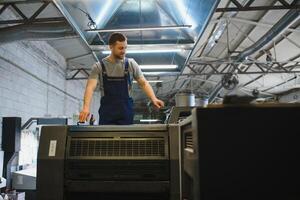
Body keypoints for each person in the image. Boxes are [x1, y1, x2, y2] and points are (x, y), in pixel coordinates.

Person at [79, 32, 164, 125]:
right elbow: (90, 87)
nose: (123, 51)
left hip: (126, 112)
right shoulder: (99, 66)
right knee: (105, 138)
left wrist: (153, 98)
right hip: (107, 113)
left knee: (126, 138)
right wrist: (86, 107)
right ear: (111, 47)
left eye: (125, 47)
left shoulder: (131, 64)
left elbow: (143, 83)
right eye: (120, 48)